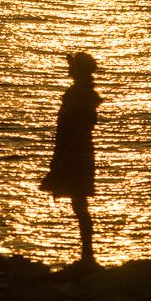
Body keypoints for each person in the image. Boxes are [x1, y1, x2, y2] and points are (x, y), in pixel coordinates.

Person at [39, 51, 101, 265]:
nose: (69, 68)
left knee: (79, 202)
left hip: (77, 153)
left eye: (73, 65)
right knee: (78, 202)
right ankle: (86, 254)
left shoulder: (82, 95)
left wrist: (65, 157)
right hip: (73, 151)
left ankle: (87, 255)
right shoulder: (79, 92)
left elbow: (81, 127)